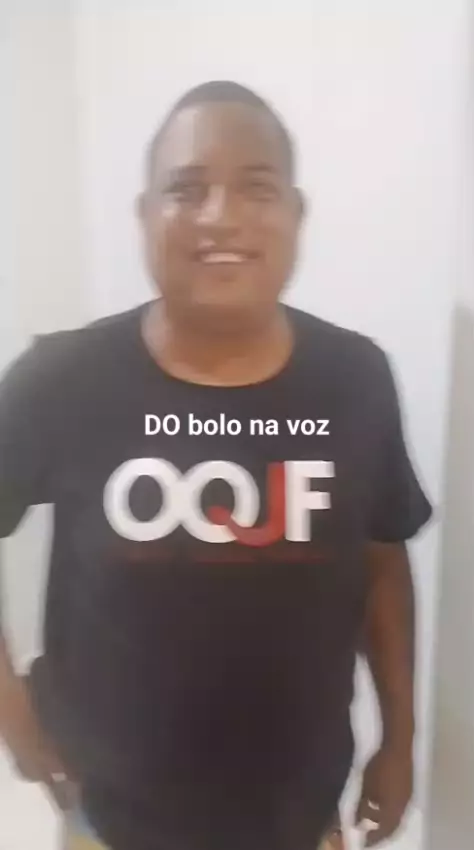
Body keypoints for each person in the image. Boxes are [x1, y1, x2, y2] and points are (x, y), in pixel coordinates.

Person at [0, 80, 432, 850]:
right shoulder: (61, 379)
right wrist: (9, 706)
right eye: (186, 189)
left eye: (256, 188)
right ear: (145, 215)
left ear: (296, 215)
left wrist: (401, 742)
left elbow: (381, 567)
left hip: (300, 822)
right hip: (111, 825)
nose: (220, 216)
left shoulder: (355, 377)